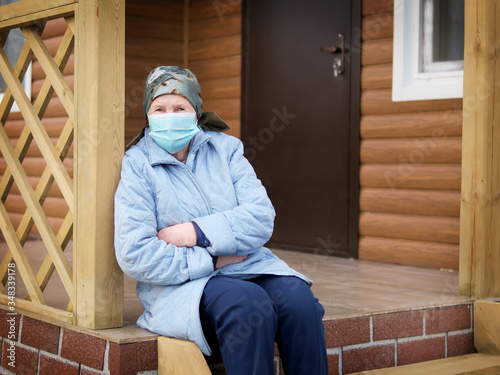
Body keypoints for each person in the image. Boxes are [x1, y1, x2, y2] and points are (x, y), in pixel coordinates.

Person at [114, 66, 327, 375]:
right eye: (159, 108)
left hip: (248, 265)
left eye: (179, 107)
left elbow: (260, 218)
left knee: (298, 300)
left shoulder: (226, 149)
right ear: (147, 115)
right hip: (180, 285)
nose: (168, 115)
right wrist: (212, 262)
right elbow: (136, 253)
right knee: (247, 303)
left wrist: (193, 232)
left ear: (196, 113)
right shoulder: (137, 164)